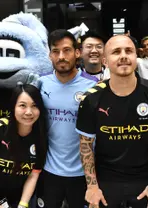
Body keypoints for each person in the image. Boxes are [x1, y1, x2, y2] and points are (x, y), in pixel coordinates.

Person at [76, 34, 148, 208]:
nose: (123, 56)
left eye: (128, 51)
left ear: (136, 56)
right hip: (106, 183)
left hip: (145, 183)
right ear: (105, 60)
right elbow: (86, 145)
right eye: (116, 52)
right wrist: (92, 187)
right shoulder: (91, 99)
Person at [36, 29, 97, 208]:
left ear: (77, 53)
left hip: (83, 173)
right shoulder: (41, 83)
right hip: (49, 171)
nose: (61, 56)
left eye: (66, 50)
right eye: (56, 51)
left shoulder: (93, 85)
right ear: (50, 55)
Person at [0, 84, 47, 208]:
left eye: (34, 106)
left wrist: (23, 204)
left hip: (15, 200)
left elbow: (34, 174)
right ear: (13, 107)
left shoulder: (41, 135)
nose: (29, 112)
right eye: (22, 106)